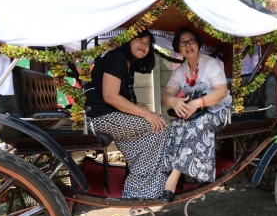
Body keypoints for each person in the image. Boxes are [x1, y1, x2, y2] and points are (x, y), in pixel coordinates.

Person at [85, 30, 169, 199]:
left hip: (109, 116)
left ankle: (146, 187)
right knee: (159, 125)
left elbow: (113, 96)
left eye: (147, 43)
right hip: (99, 119)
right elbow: (110, 97)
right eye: (139, 40)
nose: (143, 46)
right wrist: (145, 114)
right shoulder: (116, 58)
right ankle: (137, 190)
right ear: (128, 41)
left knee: (158, 126)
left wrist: (137, 106)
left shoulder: (128, 65)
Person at [161, 27, 232, 203]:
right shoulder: (180, 71)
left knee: (195, 126)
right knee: (177, 124)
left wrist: (196, 103)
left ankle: (172, 180)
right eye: (183, 42)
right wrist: (174, 101)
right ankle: (184, 174)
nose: (188, 45)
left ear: (198, 44)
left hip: (219, 110)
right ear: (179, 48)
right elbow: (166, 95)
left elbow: (222, 92)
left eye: (191, 40)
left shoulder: (210, 64)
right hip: (196, 112)